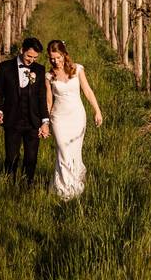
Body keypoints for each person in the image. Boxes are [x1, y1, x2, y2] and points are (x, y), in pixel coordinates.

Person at [45, 39, 103, 199]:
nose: (55, 61)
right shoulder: (49, 76)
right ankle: (65, 191)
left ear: (64, 54)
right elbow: (49, 101)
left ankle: (75, 186)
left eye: (58, 57)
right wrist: (46, 123)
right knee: (63, 151)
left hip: (77, 117)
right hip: (59, 118)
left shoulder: (77, 69)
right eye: (52, 58)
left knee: (75, 152)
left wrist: (97, 110)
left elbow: (88, 91)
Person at [0, 37, 50, 184]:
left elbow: (42, 98)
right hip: (12, 120)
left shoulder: (40, 70)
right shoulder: (5, 67)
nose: (31, 60)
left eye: (35, 57)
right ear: (21, 50)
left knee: (31, 158)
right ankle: (9, 185)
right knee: (11, 157)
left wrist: (45, 121)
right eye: (29, 56)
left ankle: (27, 186)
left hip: (33, 121)